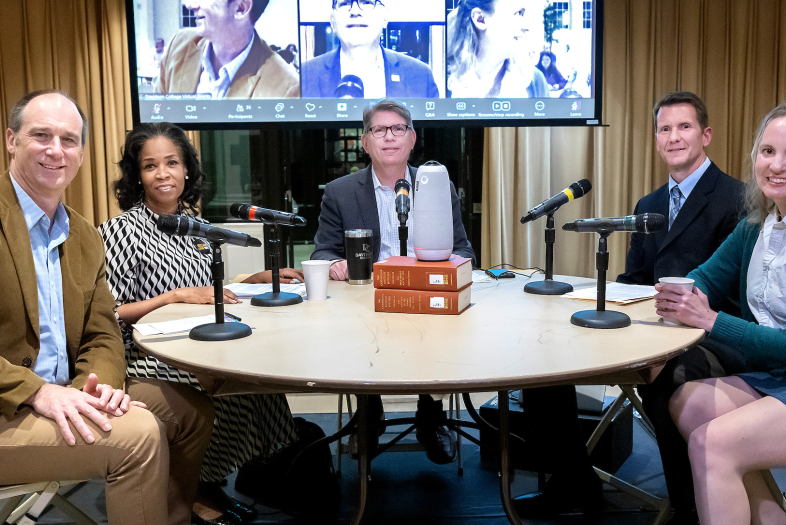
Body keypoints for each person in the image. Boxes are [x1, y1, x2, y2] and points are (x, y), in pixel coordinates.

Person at [513, 92, 745, 524]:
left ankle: (687, 506)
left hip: (704, 337)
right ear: (656, 139)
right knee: (541, 364)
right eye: (664, 129)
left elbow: (733, 295)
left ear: (706, 135)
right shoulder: (649, 205)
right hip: (645, 329)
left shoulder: (736, 199)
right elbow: (633, 279)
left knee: (673, 384)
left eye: (684, 127)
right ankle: (575, 486)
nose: (673, 137)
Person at [0, 90, 215, 525]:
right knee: (138, 438)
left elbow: (102, 332)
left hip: (67, 390)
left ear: (82, 151)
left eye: (69, 139)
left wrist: (93, 388)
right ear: (11, 140)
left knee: (191, 411)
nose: (56, 150)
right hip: (10, 403)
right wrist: (39, 392)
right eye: (41, 135)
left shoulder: (81, 233)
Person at [98, 122, 304, 524]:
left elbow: (203, 288)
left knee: (254, 381)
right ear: (137, 175)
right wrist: (172, 298)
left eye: (172, 163)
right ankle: (190, 495)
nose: (163, 174)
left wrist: (250, 279)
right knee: (215, 387)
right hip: (148, 356)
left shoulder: (191, 224)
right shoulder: (123, 230)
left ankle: (207, 482)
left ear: (187, 170)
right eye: (150, 166)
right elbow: (108, 311)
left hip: (197, 344)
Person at [311, 99, 475, 464]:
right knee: (359, 327)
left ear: (412, 138)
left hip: (426, 298)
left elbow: (463, 249)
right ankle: (368, 411)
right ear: (365, 141)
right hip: (365, 304)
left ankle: (430, 415)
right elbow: (323, 252)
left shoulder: (436, 185)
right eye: (379, 130)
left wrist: (453, 267)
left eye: (398, 129)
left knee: (436, 324)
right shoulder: (339, 192)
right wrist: (336, 263)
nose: (389, 137)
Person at [664, 102, 786, 525]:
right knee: (687, 403)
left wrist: (713, 321)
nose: (777, 165)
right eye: (768, 151)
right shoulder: (756, 226)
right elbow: (704, 278)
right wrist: (662, 297)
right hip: (776, 376)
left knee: (711, 444)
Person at [156, 0, 299, 98]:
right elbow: (154, 127)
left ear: (240, 8)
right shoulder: (177, 47)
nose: (189, 4)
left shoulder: (287, 89)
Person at [301, 0, 439, 98]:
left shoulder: (420, 75)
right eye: (344, 3)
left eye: (366, 2)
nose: (355, 11)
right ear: (332, 21)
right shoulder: (305, 76)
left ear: (385, 18)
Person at [446, 0, 548, 98]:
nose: (527, 27)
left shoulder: (535, 81)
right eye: (519, 13)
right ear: (480, 19)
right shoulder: (440, 76)